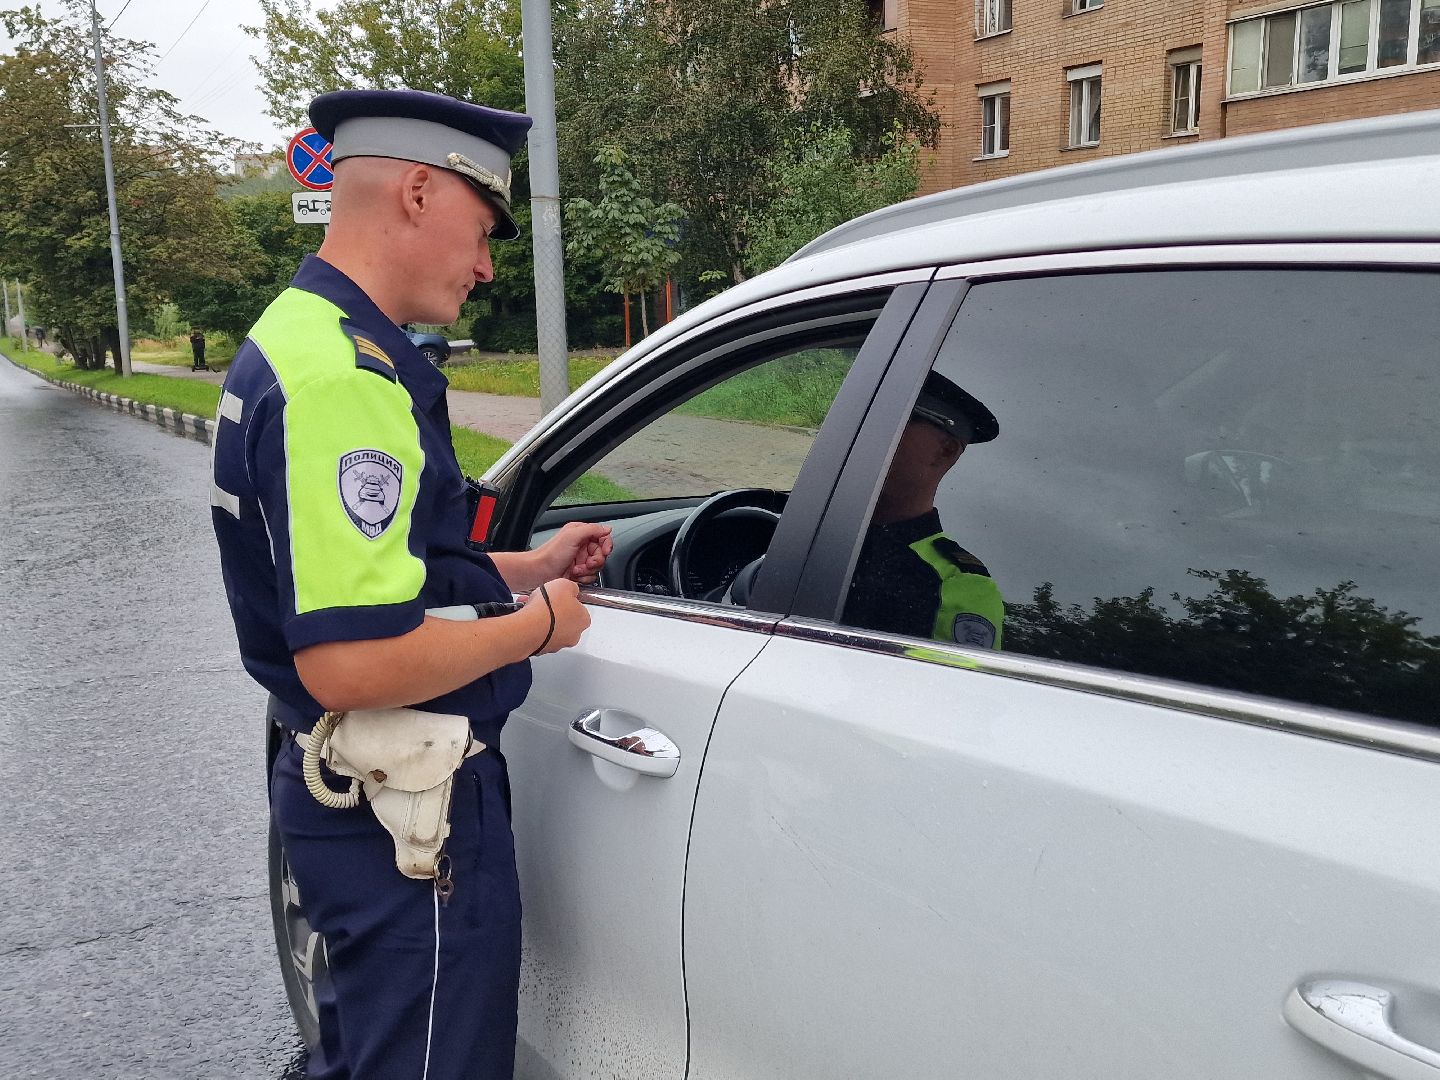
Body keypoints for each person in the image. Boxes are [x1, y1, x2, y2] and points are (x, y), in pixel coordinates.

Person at [209, 89, 613, 1080]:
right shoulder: (348, 382)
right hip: (402, 807)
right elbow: (350, 658)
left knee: (365, 1051)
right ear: (421, 192)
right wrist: (539, 624)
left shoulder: (298, 339)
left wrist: (525, 569)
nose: (484, 264)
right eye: (482, 232)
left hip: (358, 793)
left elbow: (387, 573)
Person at [842, 371, 1005, 648]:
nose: (864, 432)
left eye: (891, 421)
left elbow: (946, 689)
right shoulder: (817, 524)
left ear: (945, 450)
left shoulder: (957, 585)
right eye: (864, 417)